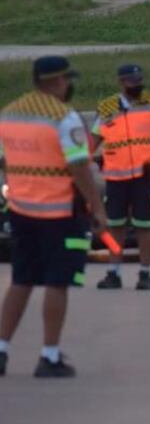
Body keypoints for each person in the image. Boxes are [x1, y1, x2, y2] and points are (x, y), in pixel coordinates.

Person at [0, 56, 108, 378]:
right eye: (66, 80)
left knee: (21, 280)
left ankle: (2, 350)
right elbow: (79, 167)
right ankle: (49, 356)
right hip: (59, 213)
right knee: (57, 283)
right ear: (56, 82)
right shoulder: (64, 118)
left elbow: (5, 162)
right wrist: (97, 208)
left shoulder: (9, 114)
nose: (68, 85)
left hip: (21, 210)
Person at [92, 64, 150, 291]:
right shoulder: (107, 108)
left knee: (145, 226)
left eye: (138, 81)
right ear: (121, 83)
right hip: (115, 178)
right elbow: (92, 142)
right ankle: (113, 273)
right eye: (131, 82)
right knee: (115, 227)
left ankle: (145, 274)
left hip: (144, 177)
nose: (136, 85)